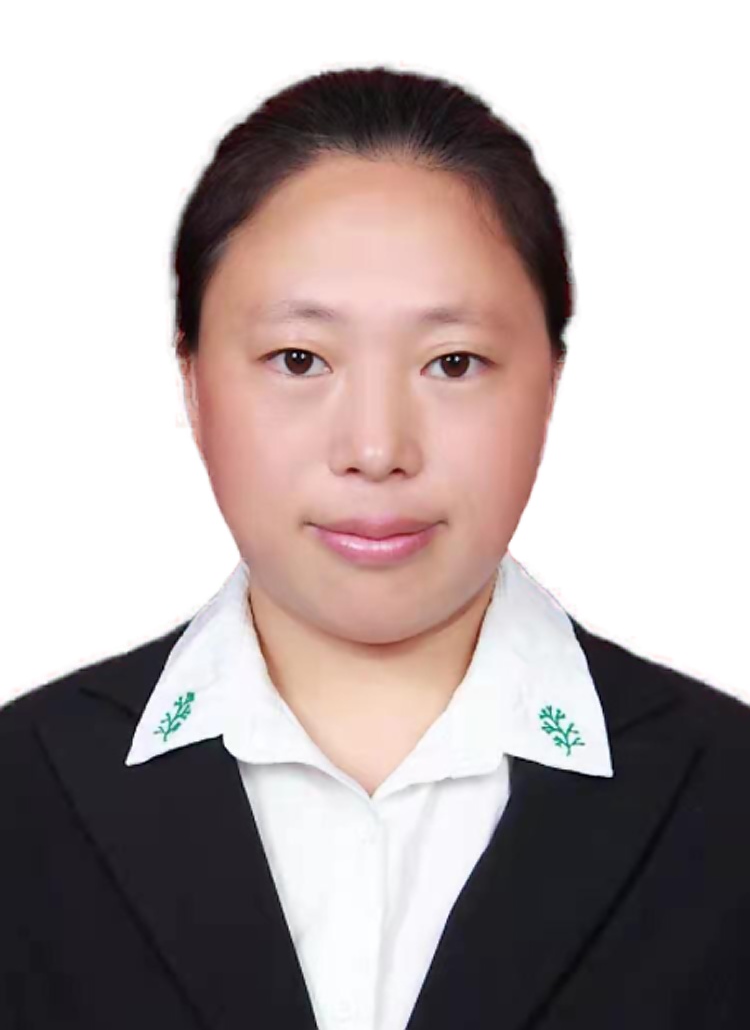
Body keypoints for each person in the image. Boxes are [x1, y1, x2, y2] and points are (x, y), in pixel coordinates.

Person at [1, 65, 748, 1030]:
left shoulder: (728, 797)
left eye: (453, 363)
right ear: (190, 377)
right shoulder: (22, 793)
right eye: (299, 359)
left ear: (551, 381)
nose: (376, 449)